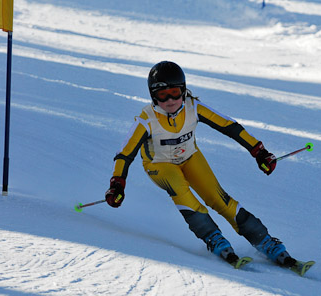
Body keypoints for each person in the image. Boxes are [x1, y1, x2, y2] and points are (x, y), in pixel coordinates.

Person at [106, 61, 299, 269]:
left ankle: (265, 241)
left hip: (190, 157)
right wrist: (117, 183)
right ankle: (213, 237)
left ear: (184, 90)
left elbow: (229, 126)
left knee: (219, 199)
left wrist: (258, 151)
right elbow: (125, 154)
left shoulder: (193, 107)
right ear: (153, 96)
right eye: (163, 95)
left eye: (175, 92)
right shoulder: (146, 119)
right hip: (160, 165)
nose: (170, 100)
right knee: (178, 187)